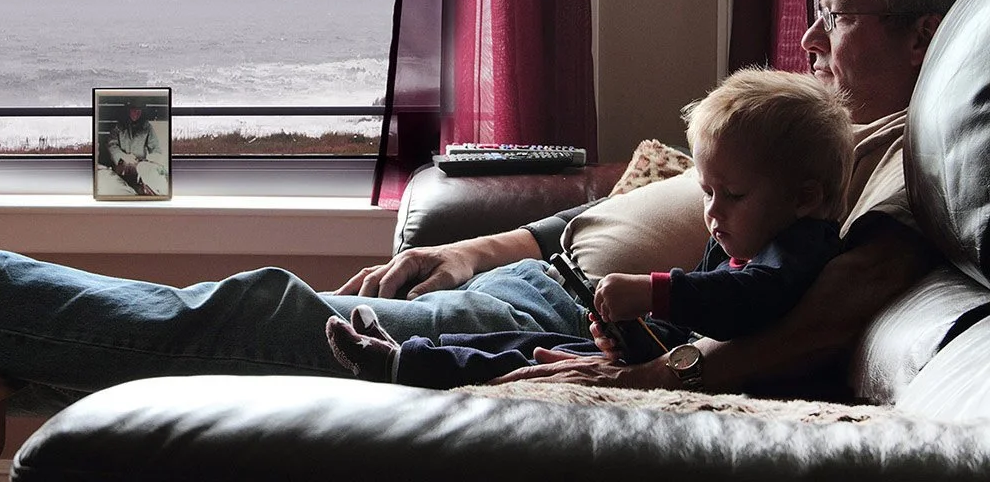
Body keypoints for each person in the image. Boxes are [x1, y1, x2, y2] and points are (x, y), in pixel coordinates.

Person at [0, 0, 985, 402]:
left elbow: (824, 302)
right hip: (543, 275)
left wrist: (632, 378)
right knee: (253, 315)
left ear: (924, 34)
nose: (816, 35)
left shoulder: (885, 164)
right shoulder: (820, 117)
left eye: (839, 15)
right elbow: (638, 217)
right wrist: (488, 237)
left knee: (259, 318)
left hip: (568, 319)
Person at [324, 69, 852, 389]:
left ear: (804, 197)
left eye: (732, 196)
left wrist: (653, 292)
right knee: (532, 346)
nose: (713, 214)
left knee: (524, 353)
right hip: (571, 301)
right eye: (706, 192)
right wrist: (628, 337)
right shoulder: (739, 240)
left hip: (635, 347)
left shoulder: (802, 247)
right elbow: (689, 331)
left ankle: (405, 364)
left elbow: (746, 300)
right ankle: (404, 350)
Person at [101, 98, 167, 196]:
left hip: (139, 166)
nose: (137, 113)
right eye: (134, 110)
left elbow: (155, 148)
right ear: (128, 110)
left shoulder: (146, 126)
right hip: (122, 165)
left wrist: (153, 160)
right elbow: (112, 145)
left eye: (139, 111)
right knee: (123, 190)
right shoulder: (118, 126)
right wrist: (123, 156)